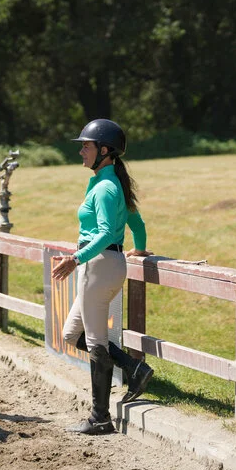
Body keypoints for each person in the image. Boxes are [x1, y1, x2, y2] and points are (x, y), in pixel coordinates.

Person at [50, 118, 154, 435]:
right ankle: (133, 367)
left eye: (86, 145)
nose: (81, 150)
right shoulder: (105, 183)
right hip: (100, 264)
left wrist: (75, 258)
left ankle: (100, 418)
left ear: (104, 150)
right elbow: (135, 223)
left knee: (95, 343)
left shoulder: (107, 188)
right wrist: (139, 247)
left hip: (98, 265)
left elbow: (108, 231)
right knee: (71, 335)